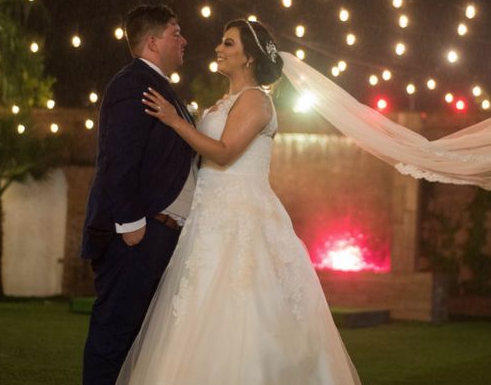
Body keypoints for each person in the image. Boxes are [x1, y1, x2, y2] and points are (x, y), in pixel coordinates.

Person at [117, 19, 360, 384]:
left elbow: (226, 152)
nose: (219, 48)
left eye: (228, 44)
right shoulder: (223, 103)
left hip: (243, 220)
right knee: (197, 317)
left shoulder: (257, 100)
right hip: (207, 220)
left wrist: (173, 120)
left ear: (249, 58)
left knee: (243, 315)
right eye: (221, 41)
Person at [81, 4, 197, 385]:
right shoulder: (133, 84)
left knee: (141, 341)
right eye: (175, 32)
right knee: (115, 334)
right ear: (151, 42)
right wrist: (130, 223)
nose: (184, 40)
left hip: (158, 234)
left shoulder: (162, 86)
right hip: (136, 235)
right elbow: (119, 156)